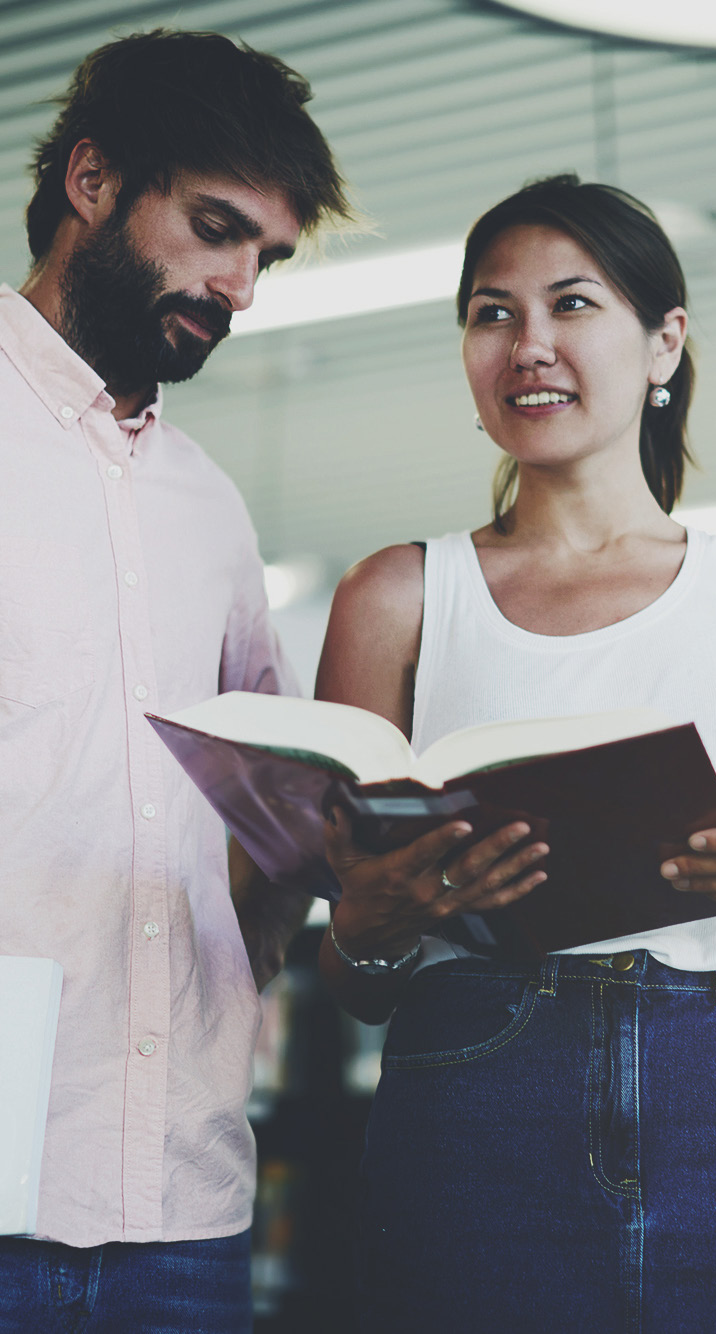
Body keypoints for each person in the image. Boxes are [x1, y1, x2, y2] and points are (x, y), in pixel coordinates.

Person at [315, 174, 716, 1332]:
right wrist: (379, 915)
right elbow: (350, 979)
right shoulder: (395, 595)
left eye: (570, 305)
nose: (526, 345)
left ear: (664, 343)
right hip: (475, 1085)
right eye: (490, 313)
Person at [0, 29, 351, 1333]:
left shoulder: (208, 508)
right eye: (214, 228)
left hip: (185, 1203)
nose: (240, 286)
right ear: (91, 180)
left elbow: (260, 810)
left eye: (265, 254)